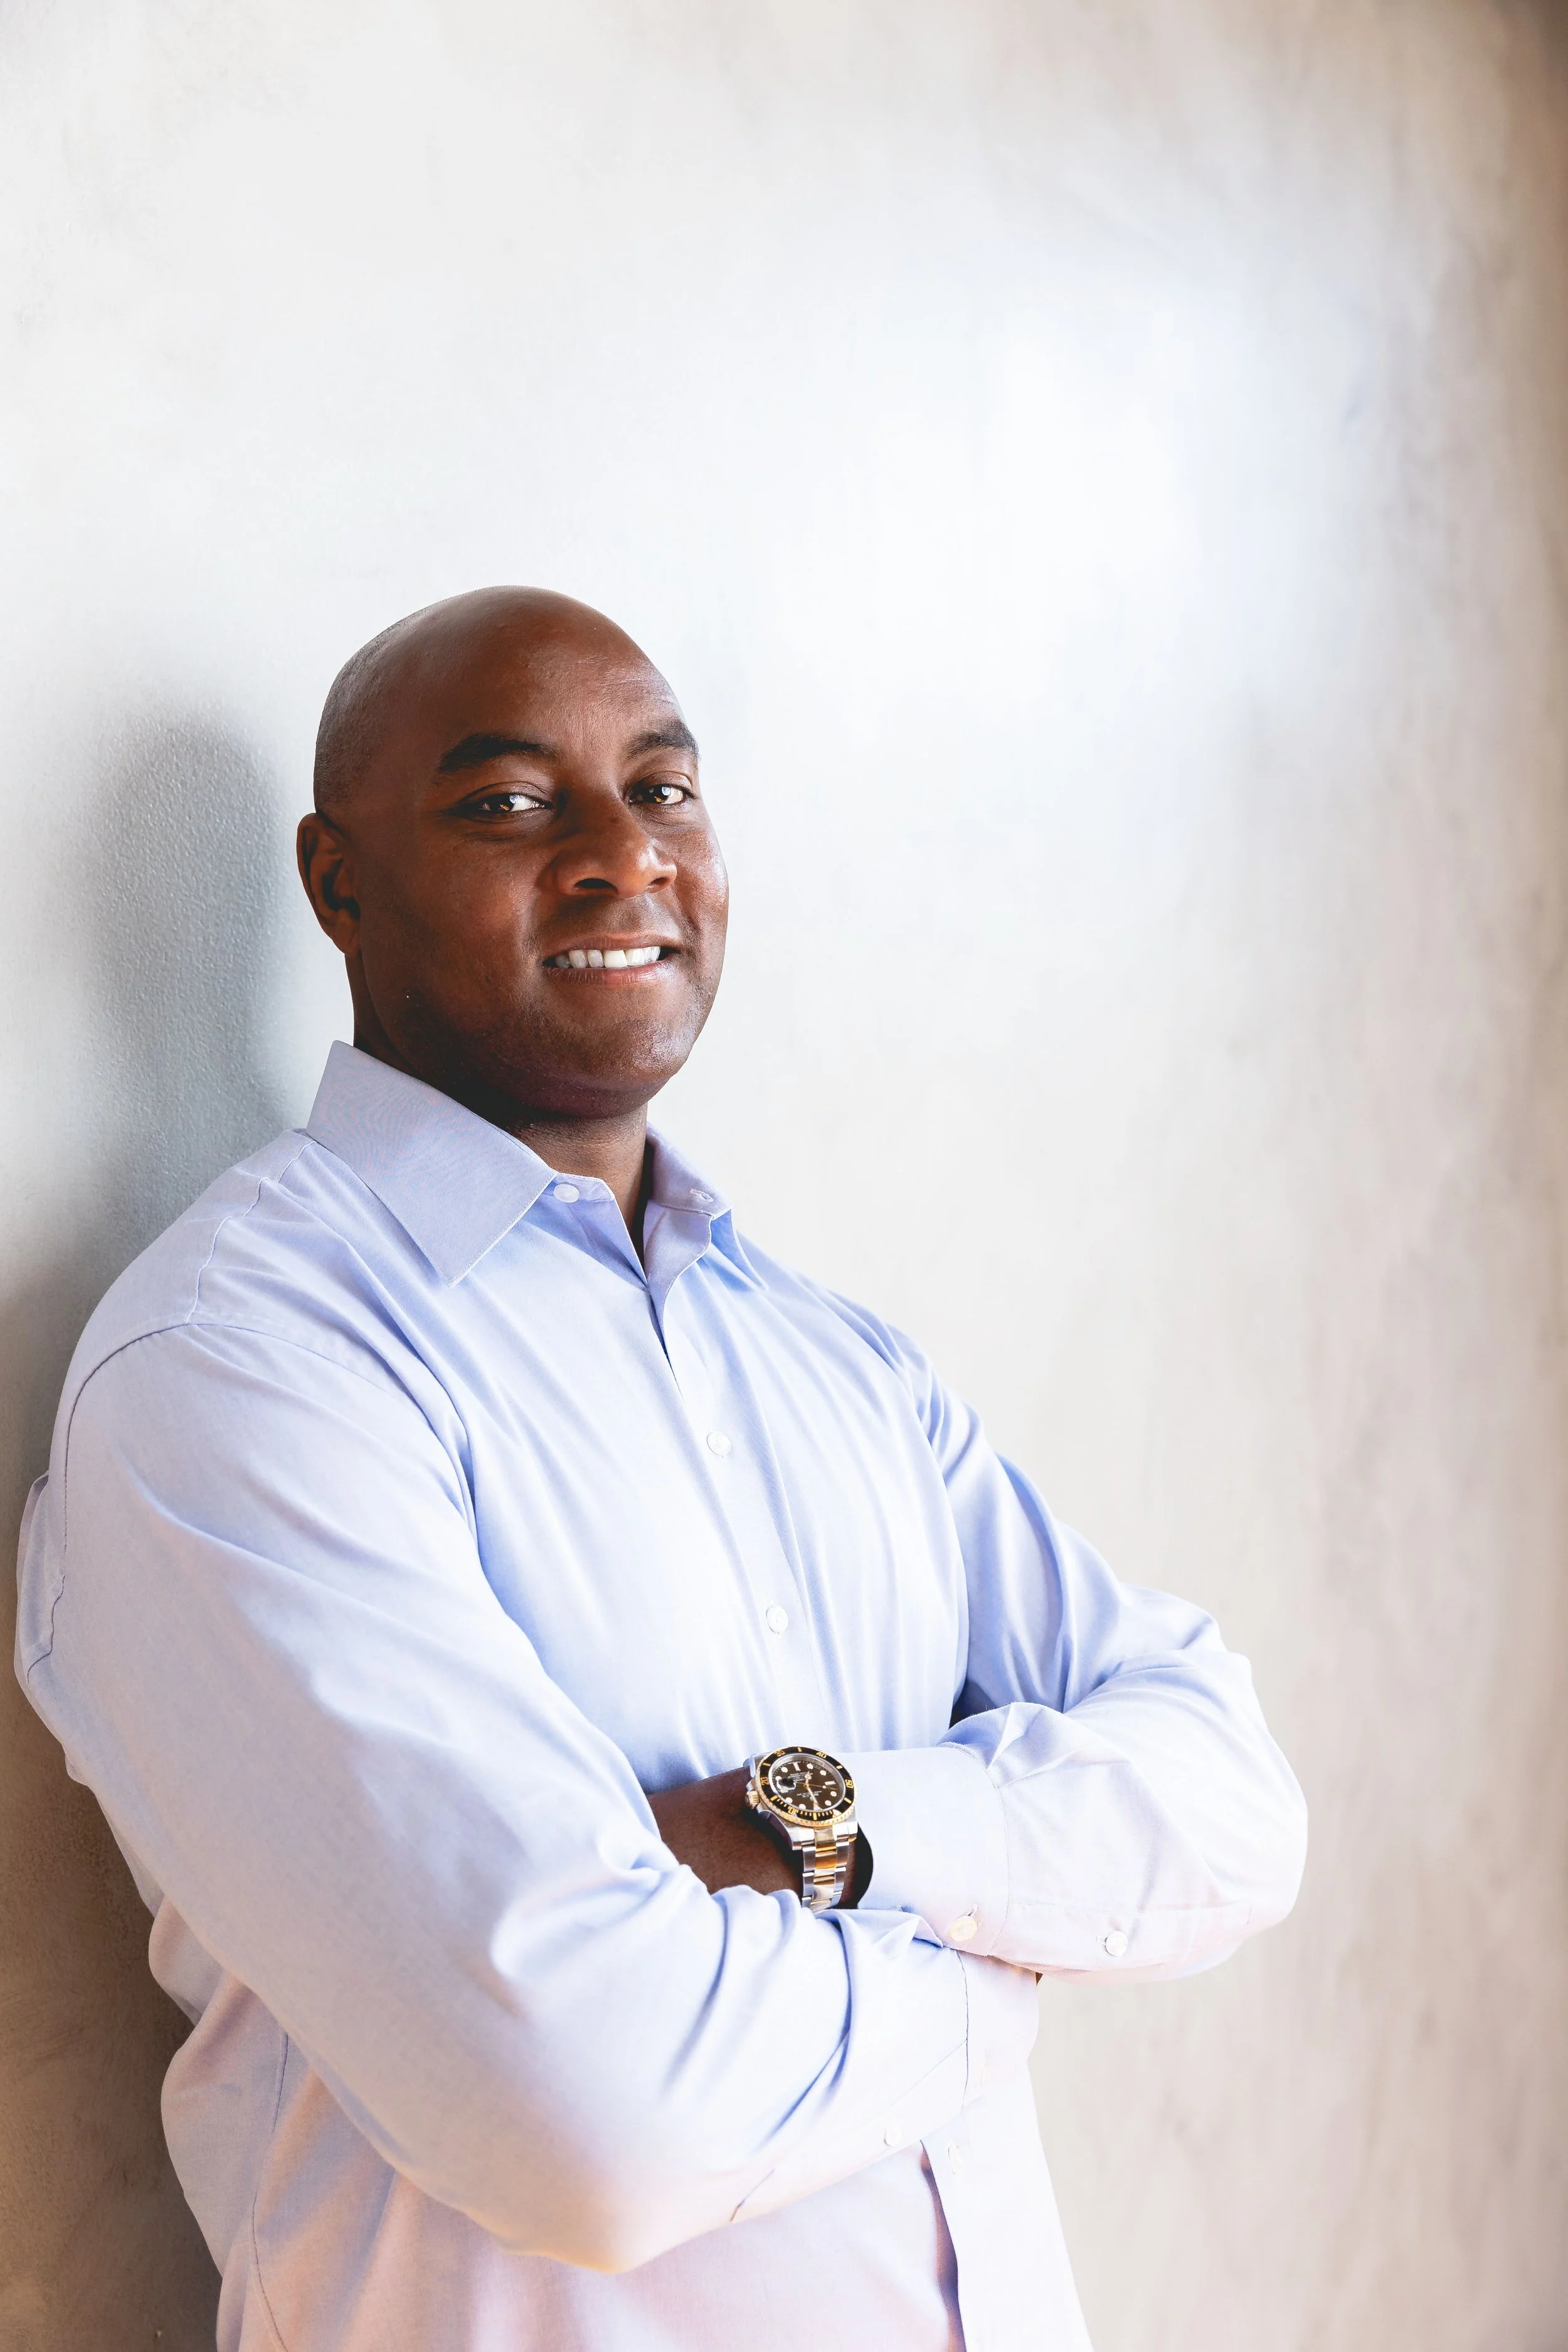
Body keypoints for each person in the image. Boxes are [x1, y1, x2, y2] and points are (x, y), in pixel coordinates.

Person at [14, 588, 1306, 2352]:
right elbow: (589, 2109)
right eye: (508, 802)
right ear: (336, 883)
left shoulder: (832, 1360)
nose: (622, 855)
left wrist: (827, 1833)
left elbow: (1228, 1800)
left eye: (664, 787)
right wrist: (1002, 1961)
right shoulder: (238, 1372)